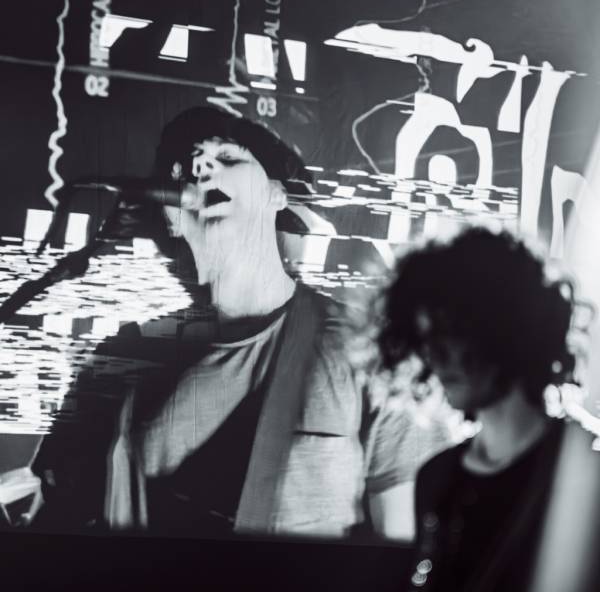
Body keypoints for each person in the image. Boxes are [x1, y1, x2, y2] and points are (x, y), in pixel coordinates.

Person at [30, 106, 449, 539]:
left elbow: (404, 544)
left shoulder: (367, 347)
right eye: (184, 171)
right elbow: (50, 534)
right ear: (172, 217)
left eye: (228, 157)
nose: (201, 168)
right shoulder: (121, 357)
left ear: (277, 194)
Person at [377, 226, 595, 591]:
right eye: (426, 338)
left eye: (452, 334)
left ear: (504, 327)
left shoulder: (582, 471)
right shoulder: (437, 478)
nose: (435, 356)